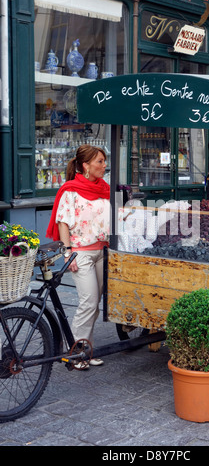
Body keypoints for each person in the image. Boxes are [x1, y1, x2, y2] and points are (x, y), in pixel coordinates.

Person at [46, 144, 110, 368]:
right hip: (80, 252)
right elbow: (62, 222)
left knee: (94, 304)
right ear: (86, 165)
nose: (104, 165)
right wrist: (67, 252)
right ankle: (75, 352)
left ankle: (86, 350)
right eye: (100, 161)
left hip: (103, 251)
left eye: (104, 161)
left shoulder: (104, 189)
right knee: (88, 302)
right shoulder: (70, 190)